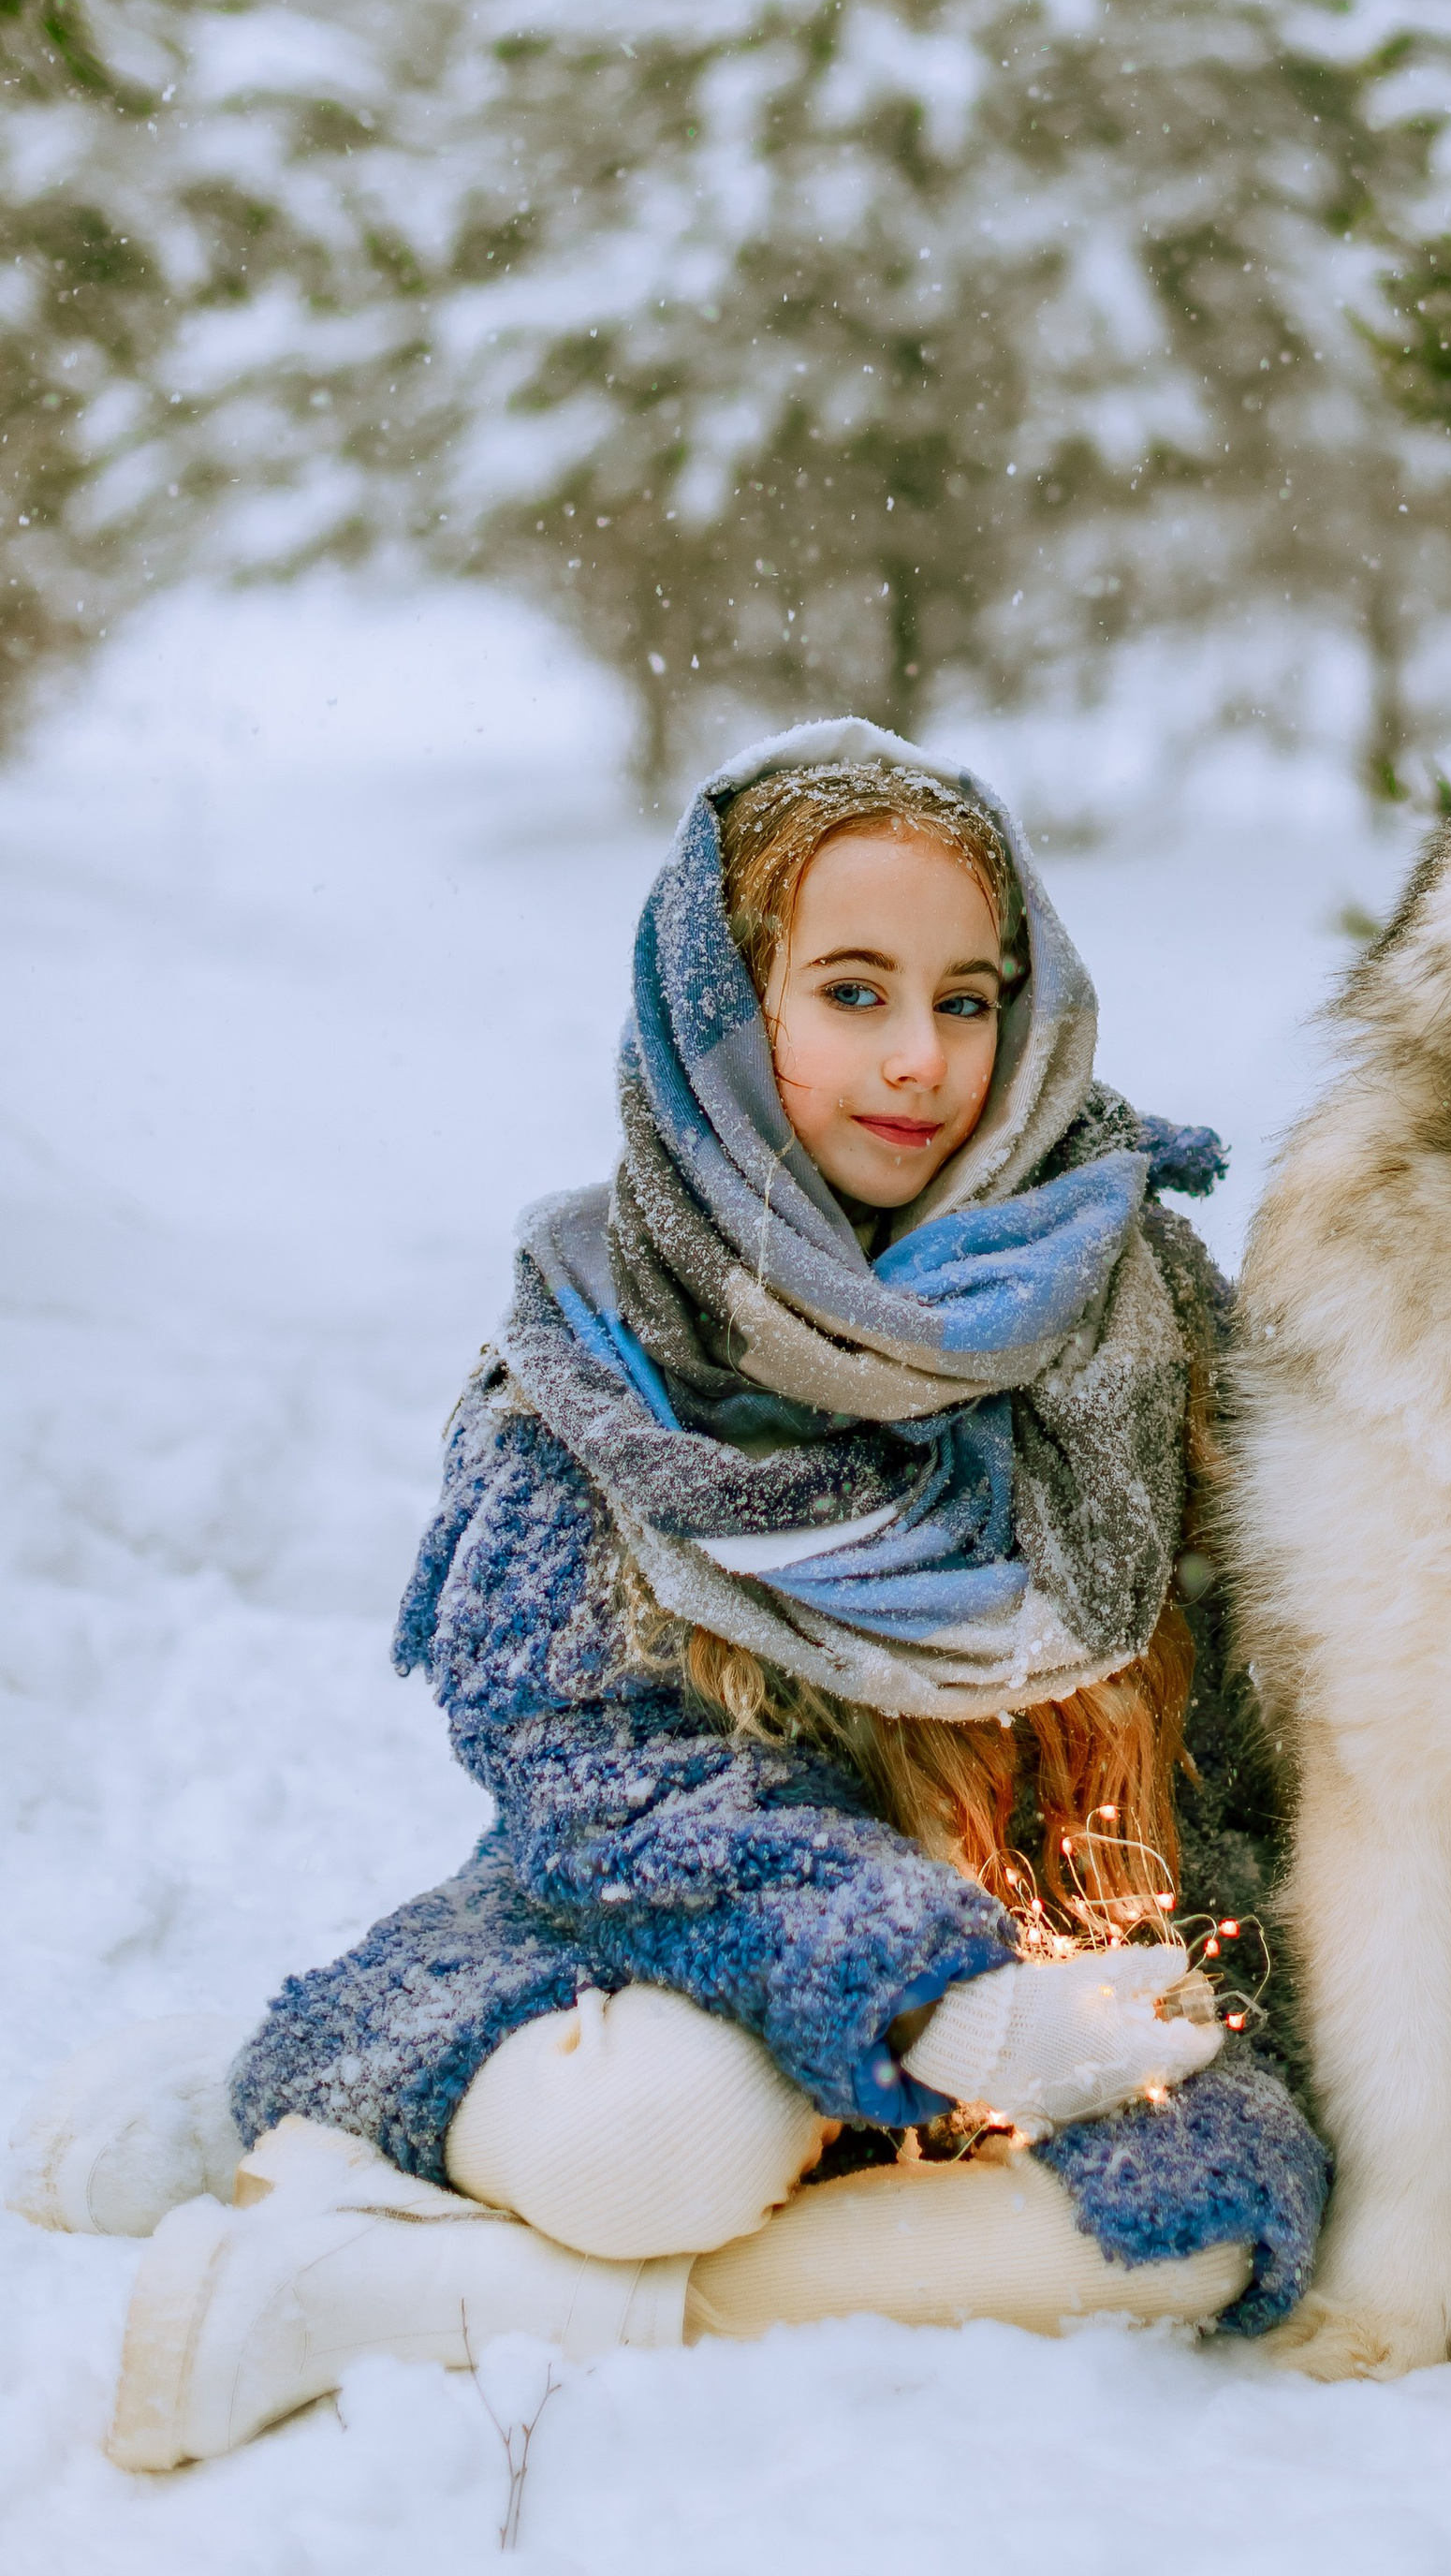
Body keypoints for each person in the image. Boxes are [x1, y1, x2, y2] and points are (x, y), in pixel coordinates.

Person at [15, 720, 1324, 2469]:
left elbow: (1273, 1659)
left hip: (1062, 1937)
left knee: (1220, 2219)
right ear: (729, 1010)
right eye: (851, 991)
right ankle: (330, 2098)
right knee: (656, 2156)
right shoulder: (610, 1339)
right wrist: (929, 2002)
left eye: (968, 995)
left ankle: (379, 2263)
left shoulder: (1136, 1297)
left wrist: (1235, 1977)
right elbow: (596, 1765)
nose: (921, 1060)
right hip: (688, 1925)